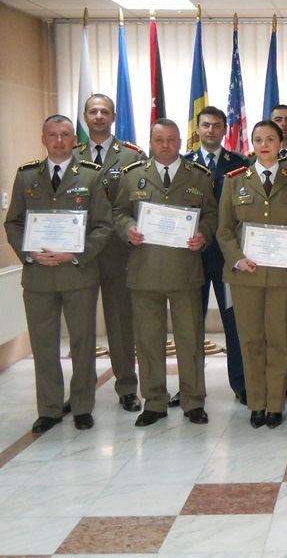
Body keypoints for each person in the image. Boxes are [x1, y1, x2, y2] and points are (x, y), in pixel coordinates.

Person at [5, 115, 113, 433]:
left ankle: (82, 406)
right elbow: (13, 222)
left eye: (65, 134)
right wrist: (29, 253)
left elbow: (103, 226)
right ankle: (49, 409)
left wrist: (75, 254)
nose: (59, 140)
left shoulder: (91, 175)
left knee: (82, 343)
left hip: (78, 274)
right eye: (52, 135)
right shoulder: (27, 176)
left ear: (74, 140)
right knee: (43, 346)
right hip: (38, 275)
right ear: (43, 139)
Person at [113, 118, 218, 427]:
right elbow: (118, 212)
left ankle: (193, 400)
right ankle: (154, 401)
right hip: (145, 270)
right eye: (159, 140)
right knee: (148, 341)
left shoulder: (198, 176)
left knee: (190, 340)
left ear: (180, 142)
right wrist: (127, 228)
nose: (166, 145)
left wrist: (203, 234)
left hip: (185, 271)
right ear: (151, 142)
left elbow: (212, 214)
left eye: (172, 139)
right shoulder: (133, 176)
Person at [217, 120, 287, 428]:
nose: (264, 145)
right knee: (251, 340)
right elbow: (224, 230)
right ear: (252, 144)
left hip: (285, 276)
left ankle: (275, 404)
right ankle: (257, 403)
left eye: (271, 139)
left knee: (280, 340)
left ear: (281, 144)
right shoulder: (234, 181)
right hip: (246, 275)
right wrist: (237, 258)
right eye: (258, 139)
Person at [73, 94, 143, 413]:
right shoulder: (71, 154)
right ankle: (81, 391)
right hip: (81, 252)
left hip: (118, 252)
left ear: (113, 117)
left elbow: (138, 201)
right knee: (81, 328)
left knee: (121, 324)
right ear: (85, 117)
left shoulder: (131, 155)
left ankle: (127, 387)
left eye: (105, 111)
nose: (99, 116)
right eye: (93, 111)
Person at [181, 106, 250, 406]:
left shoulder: (240, 164)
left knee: (234, 323)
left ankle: (241, 383)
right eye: (206, 125)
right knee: (190, 325)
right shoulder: (183, 165)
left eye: (217, 125)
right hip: (191, 256)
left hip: (227, 257)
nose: (211, 130)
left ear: (225, 129)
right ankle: (190, 386)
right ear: (197, 128)